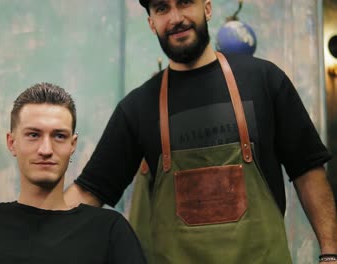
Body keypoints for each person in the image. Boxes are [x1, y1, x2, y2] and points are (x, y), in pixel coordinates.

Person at [64, 0, 337, 263]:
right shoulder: (138, 107)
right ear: (151, 22)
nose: (175, 17)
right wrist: (32, 227)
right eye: (162, 8)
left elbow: (308, 172)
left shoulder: (264, 80)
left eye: (185, 2)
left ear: (207, 8)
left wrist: (330, 254)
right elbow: (89, 193)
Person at [0, 83, 147, 264]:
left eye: (59, 136)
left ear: (73, 145)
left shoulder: (108, 230)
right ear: (12, 143)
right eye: (33, 135)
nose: (46, 149)